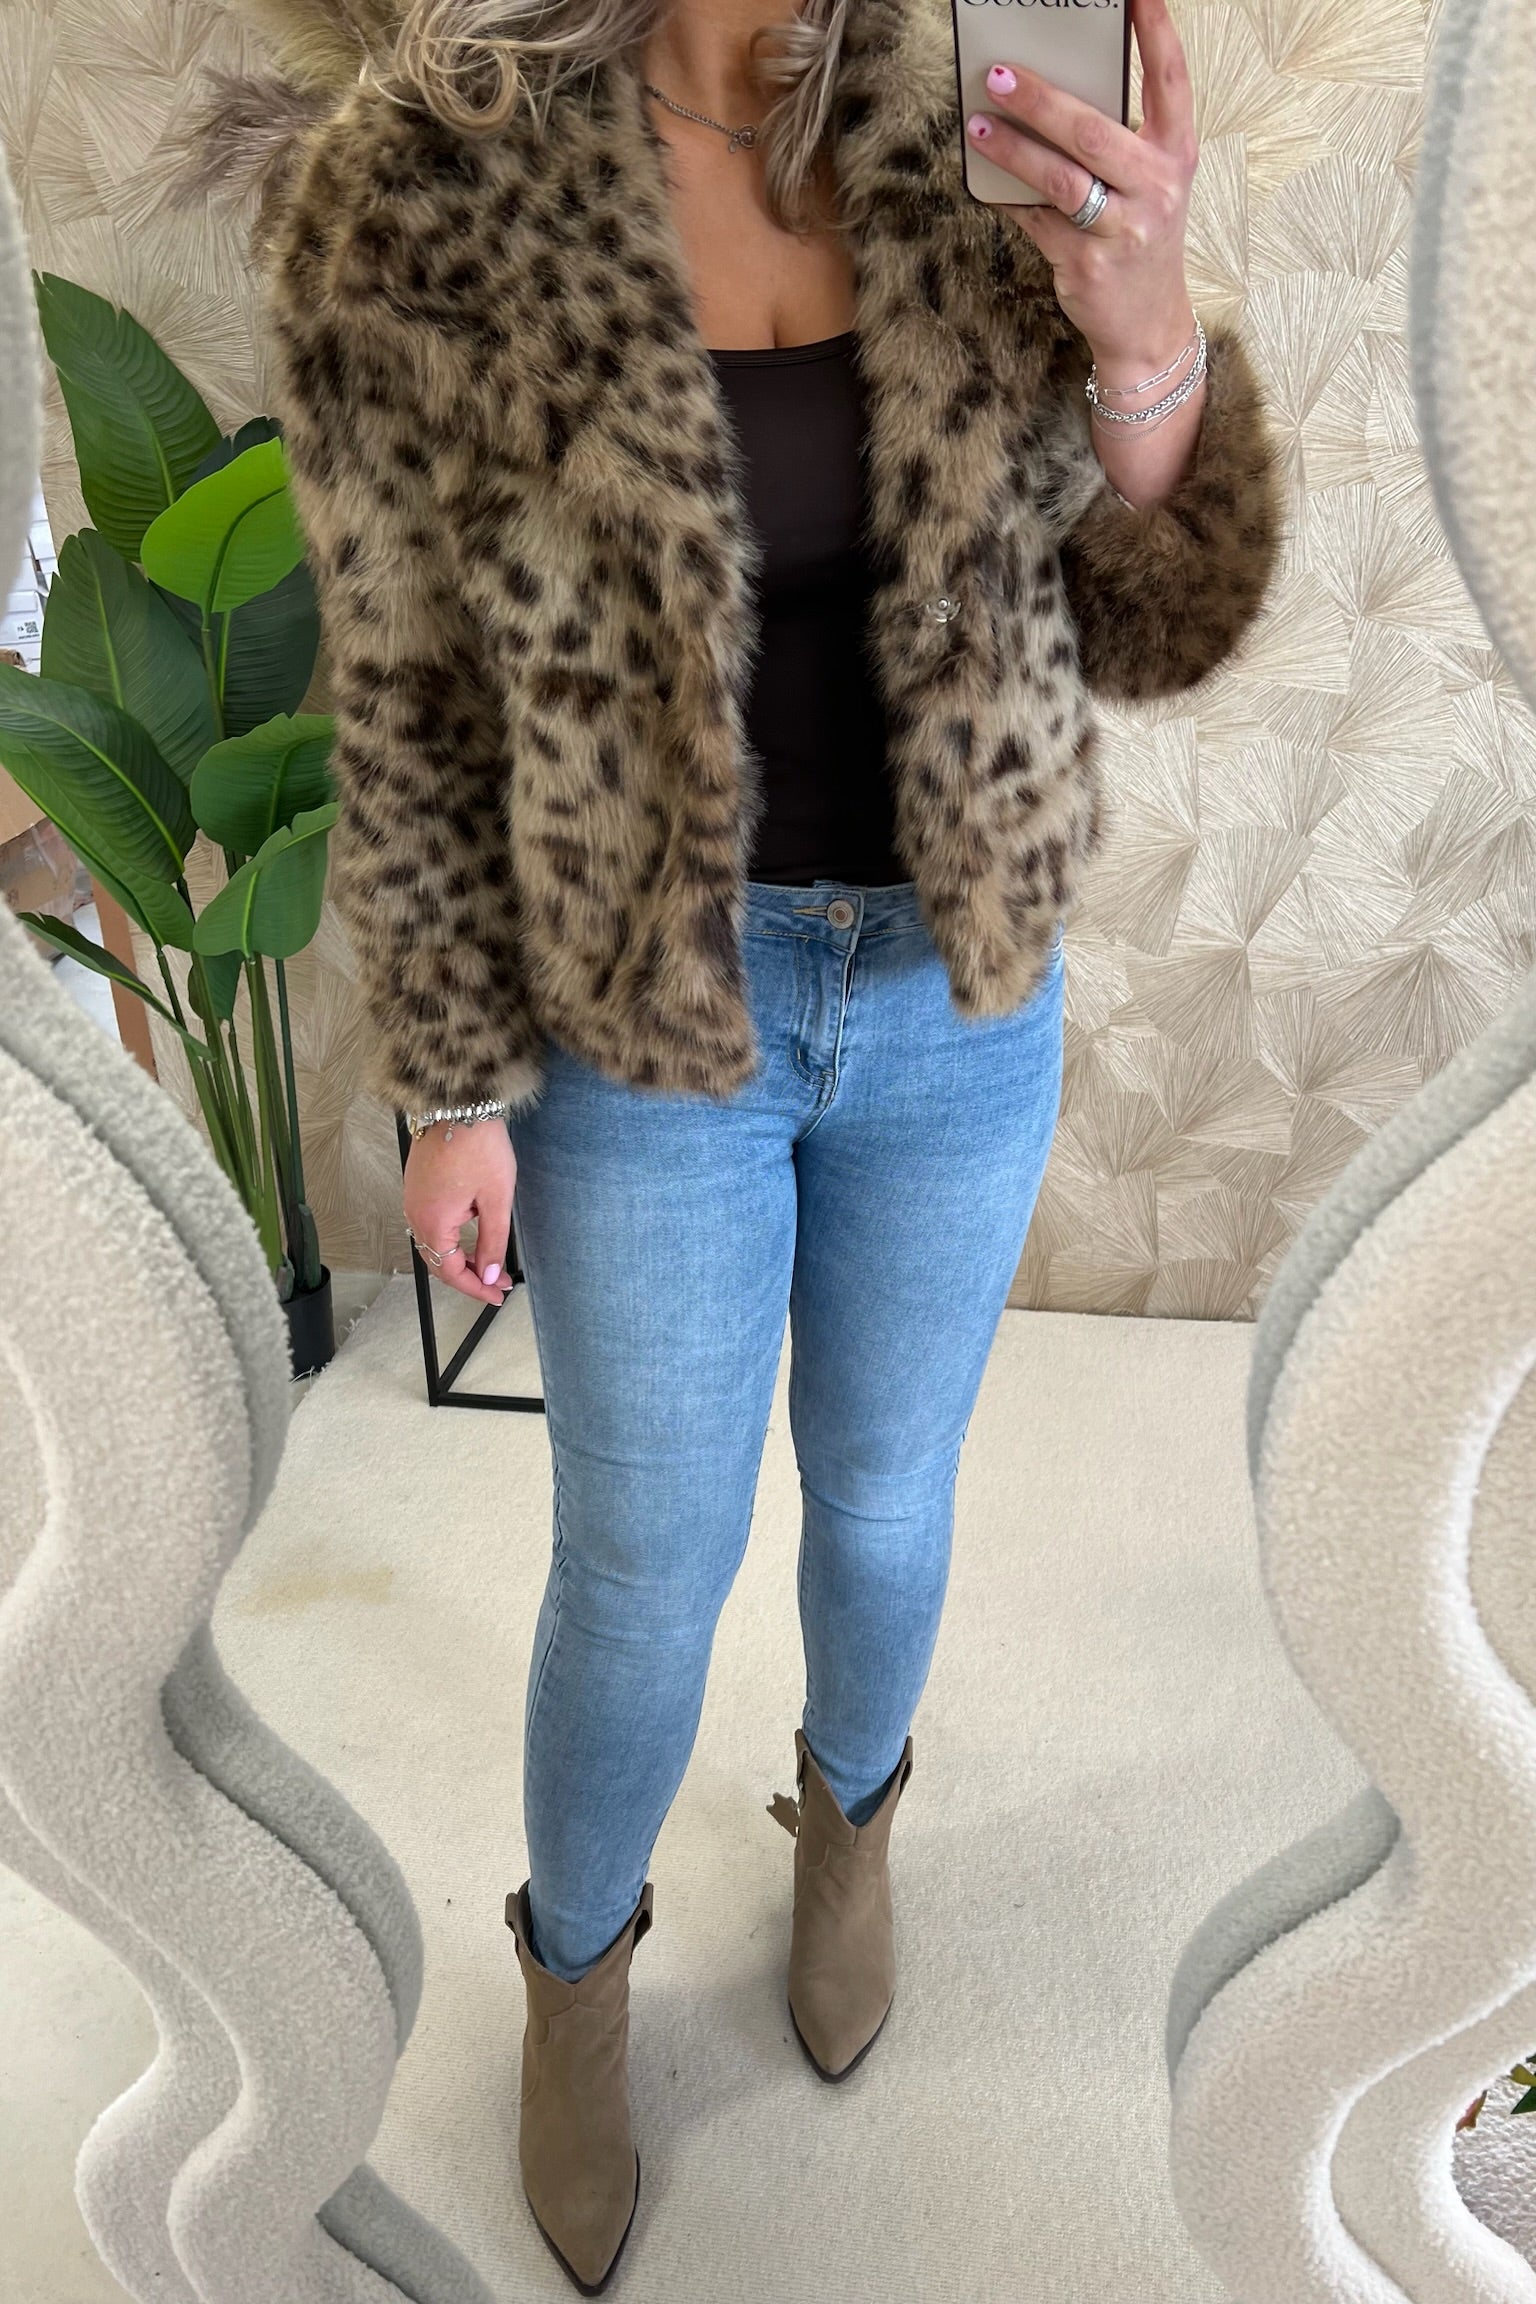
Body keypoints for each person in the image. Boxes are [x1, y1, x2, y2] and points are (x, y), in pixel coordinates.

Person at [260, 0, 1281, 2281]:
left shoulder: (973, 115)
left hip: (949, 991)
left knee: (891, 1499)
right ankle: (577, 1978)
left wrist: (1143, 334)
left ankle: (849, 1831)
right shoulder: (422, 183)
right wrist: (452, 1082)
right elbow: (404, 677)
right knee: (643, 1561)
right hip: (643, 1017)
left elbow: (1152, 618)